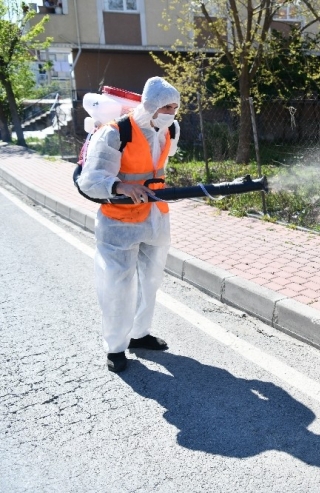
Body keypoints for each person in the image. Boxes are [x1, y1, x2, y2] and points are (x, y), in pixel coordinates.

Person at [77, 76, 181, 373]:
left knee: (150, 282)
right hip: (119, 224)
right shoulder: (115, 133)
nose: (172, 112)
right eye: (167, 106)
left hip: (155, 217)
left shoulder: (168, 130)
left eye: (175, 107)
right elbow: (91, 180)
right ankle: (115, 347)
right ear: (151, 106)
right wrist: (121, 187)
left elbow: (157, 167)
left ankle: (139, 335)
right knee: (118, 286)